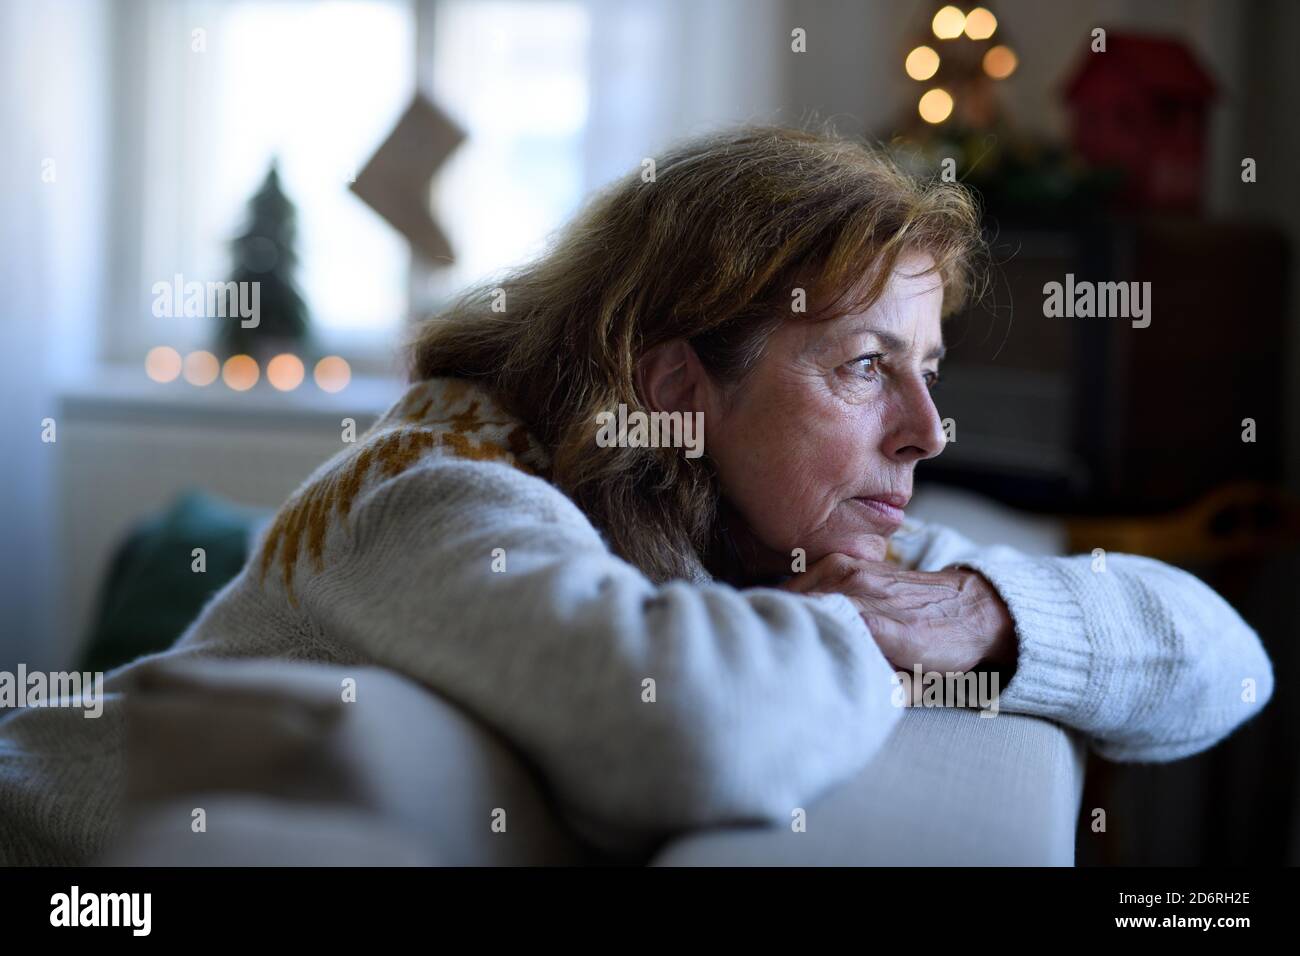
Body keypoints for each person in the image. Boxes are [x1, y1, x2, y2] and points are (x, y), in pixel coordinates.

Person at [0, 125, 1274, 863]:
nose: (927, 431)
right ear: (677, 384)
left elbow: (1227, 666)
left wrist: (980, 612)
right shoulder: (434, 493)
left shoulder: (767, 514)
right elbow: (688, 731)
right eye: (865, 369)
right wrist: (865, 626)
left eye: (926, 371)